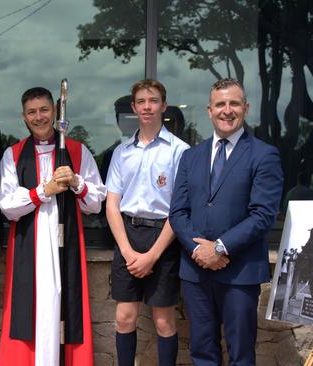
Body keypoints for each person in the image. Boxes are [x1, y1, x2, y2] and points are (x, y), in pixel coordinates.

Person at [169, 78, 284, 365]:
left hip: (240, 272)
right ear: (209, 110)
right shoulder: (190, 156)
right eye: (220, 104)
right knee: (201, 351)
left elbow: (263, 215)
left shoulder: (264, 154)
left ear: (245, 108)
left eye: (234, 103)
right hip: (196, 273)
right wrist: (199, 250)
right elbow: (178, 212)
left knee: (241, 353)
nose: (227, 110)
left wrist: (219, 248)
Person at [0, 87, 106, 365]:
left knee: (65, 307)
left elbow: (96, 203)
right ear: (24, 117)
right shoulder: (14, 154)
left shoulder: (77, 151)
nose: (39, 117)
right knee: (29, 311)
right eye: (32, 112)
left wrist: (76, 183)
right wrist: (42, 191)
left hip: (65, 241)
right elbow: (7, 205)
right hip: (29, 245)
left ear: (55, 112)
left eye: (44, 110)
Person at [105, 79, 189, 366]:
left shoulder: (179, 151)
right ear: (133, 107)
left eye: (153, 101)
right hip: (127, 236)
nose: (147, 107)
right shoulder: (121, 152)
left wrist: (153, 255)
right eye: (141, 102)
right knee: (124, 316)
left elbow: (180, 210)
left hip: (164, 238)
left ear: (163, 106)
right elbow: (112, 205)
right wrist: (128, 252)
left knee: (164, 320)